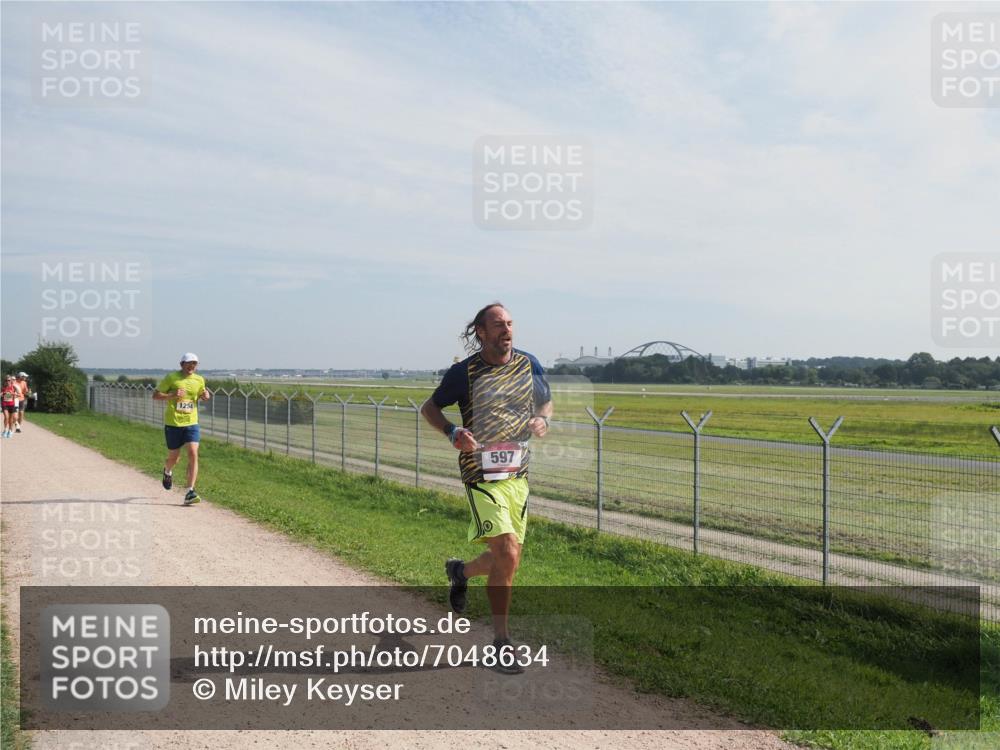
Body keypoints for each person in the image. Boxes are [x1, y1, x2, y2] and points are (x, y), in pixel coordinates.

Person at [421, 303, 552, 674]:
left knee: (505, 559)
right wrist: (452, 432)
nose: (506, 330)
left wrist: (542, 420)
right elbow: (430, 408)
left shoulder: (530, 364)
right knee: (507, 551)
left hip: (518, 475)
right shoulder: (463, 373)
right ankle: (500, 643)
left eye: (509, 323)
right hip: (480, 475)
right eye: (498, 325)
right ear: (481, 331)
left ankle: (460, 572)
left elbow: (546, 402)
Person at [153, 353, 210, 505]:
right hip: (173, 423)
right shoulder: (172, 378)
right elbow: (156, 395)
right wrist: (172, 395)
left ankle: (190, 491)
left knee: (193, 453)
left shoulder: (199, 379)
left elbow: (201, 394)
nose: (192, 366)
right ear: (181, 364)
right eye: (189, 363)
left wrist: (205, 395)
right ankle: (167, 471)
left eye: (195, 364)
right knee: (174, 458)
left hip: (191, 422)